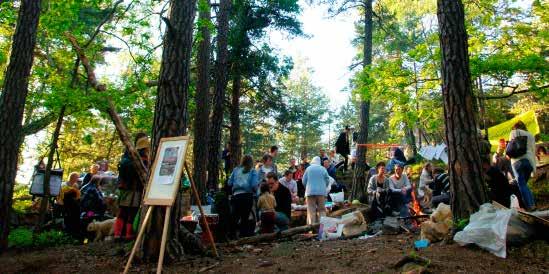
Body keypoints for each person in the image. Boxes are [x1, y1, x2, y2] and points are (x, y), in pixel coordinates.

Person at [113, 134, 150, 241]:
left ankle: (118, 233)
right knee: (131, 212)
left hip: (124, 189)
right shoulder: (141, 159)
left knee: (122, 212)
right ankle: (128, 234)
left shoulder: (127, 155)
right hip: (134, 189)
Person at [507, 121, 537, 210]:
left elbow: (511, 147)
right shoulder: (530, 135)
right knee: (524, 185)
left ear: (515, 127)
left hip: (517, 162)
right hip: (528, 162)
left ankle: (529, 206)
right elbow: (533, 150)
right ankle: (533, 205)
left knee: (522, 185)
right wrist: (534, 168)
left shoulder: (514, 132)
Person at [228, 155, 259, 237]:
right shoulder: (253, 171)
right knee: (245, 218)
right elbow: (254, 185)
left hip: (236, 196)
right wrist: (256, 192)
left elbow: (229, 183)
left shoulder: (236, 170)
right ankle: (243, 236)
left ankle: (232, 236)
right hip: (247, 197)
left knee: (234, 217)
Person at [302, 156, 330, 225]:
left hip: (310, 192)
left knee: (311, 210)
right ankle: (322, 229)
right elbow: (327, 180)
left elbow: (303, 181)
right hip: (321, 193)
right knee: (322, 210)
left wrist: (307, 187)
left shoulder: (308, 169)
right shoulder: (323, 169)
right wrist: (324, 187)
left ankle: (311, 230)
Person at [58, 172, 81, 238]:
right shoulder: (64, 185)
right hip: (66, 206)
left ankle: (74, 234)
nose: (77, 179)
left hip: (74, 206)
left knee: (75, 220)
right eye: (77, 177)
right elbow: (60, 196)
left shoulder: (76, 185)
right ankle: (67, 235)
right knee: (68, 221)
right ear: (72, 177)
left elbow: (78, 196)